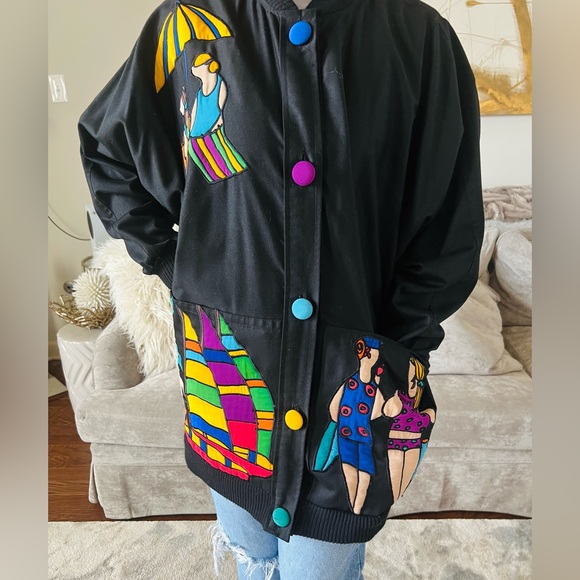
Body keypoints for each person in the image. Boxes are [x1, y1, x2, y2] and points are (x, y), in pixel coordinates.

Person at [78, 0, 485, 578]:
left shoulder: (417, 35)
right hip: (228, 380)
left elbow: (447, 225)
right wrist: (172, 262)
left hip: (357, 378)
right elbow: (109, 151)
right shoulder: (188, 24)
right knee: (252, 562)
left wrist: (397, 345)